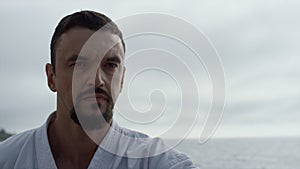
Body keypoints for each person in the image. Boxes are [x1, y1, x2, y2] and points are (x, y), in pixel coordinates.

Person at [0, 10, 199, 169]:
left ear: (122, 79)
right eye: (79, 64)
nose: (97, 80)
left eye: (110, 65)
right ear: (52, 77)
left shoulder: (153, 161)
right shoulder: (8, 159)